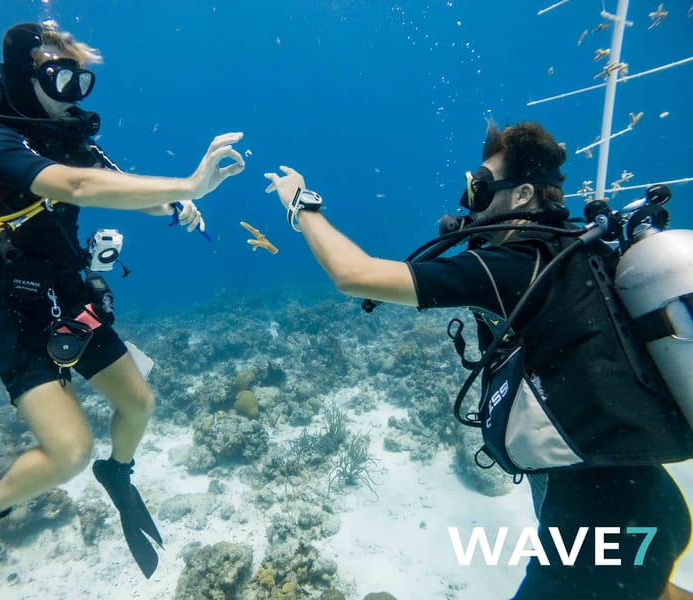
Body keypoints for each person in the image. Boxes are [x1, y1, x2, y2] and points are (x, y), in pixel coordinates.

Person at [264, 121, 692, 599]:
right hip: (645, 498)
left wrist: (302, 206)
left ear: (523, 191)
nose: (470, 199)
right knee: (647, 586)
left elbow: (353, 274)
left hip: (599, 516)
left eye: (481, 186)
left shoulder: (513, 266)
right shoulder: (582, 250)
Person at [0, 22, 244, 599]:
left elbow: (111, 183)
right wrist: (191, 182)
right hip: (11, 310)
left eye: (81, 81)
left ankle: (119, 473)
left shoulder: (69, 139)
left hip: (70, 295)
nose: (73, 95)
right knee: (68, 453)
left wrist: (175, 205)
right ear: (23, 76)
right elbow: (77, 188)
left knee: (138, 404)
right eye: (60, 78)